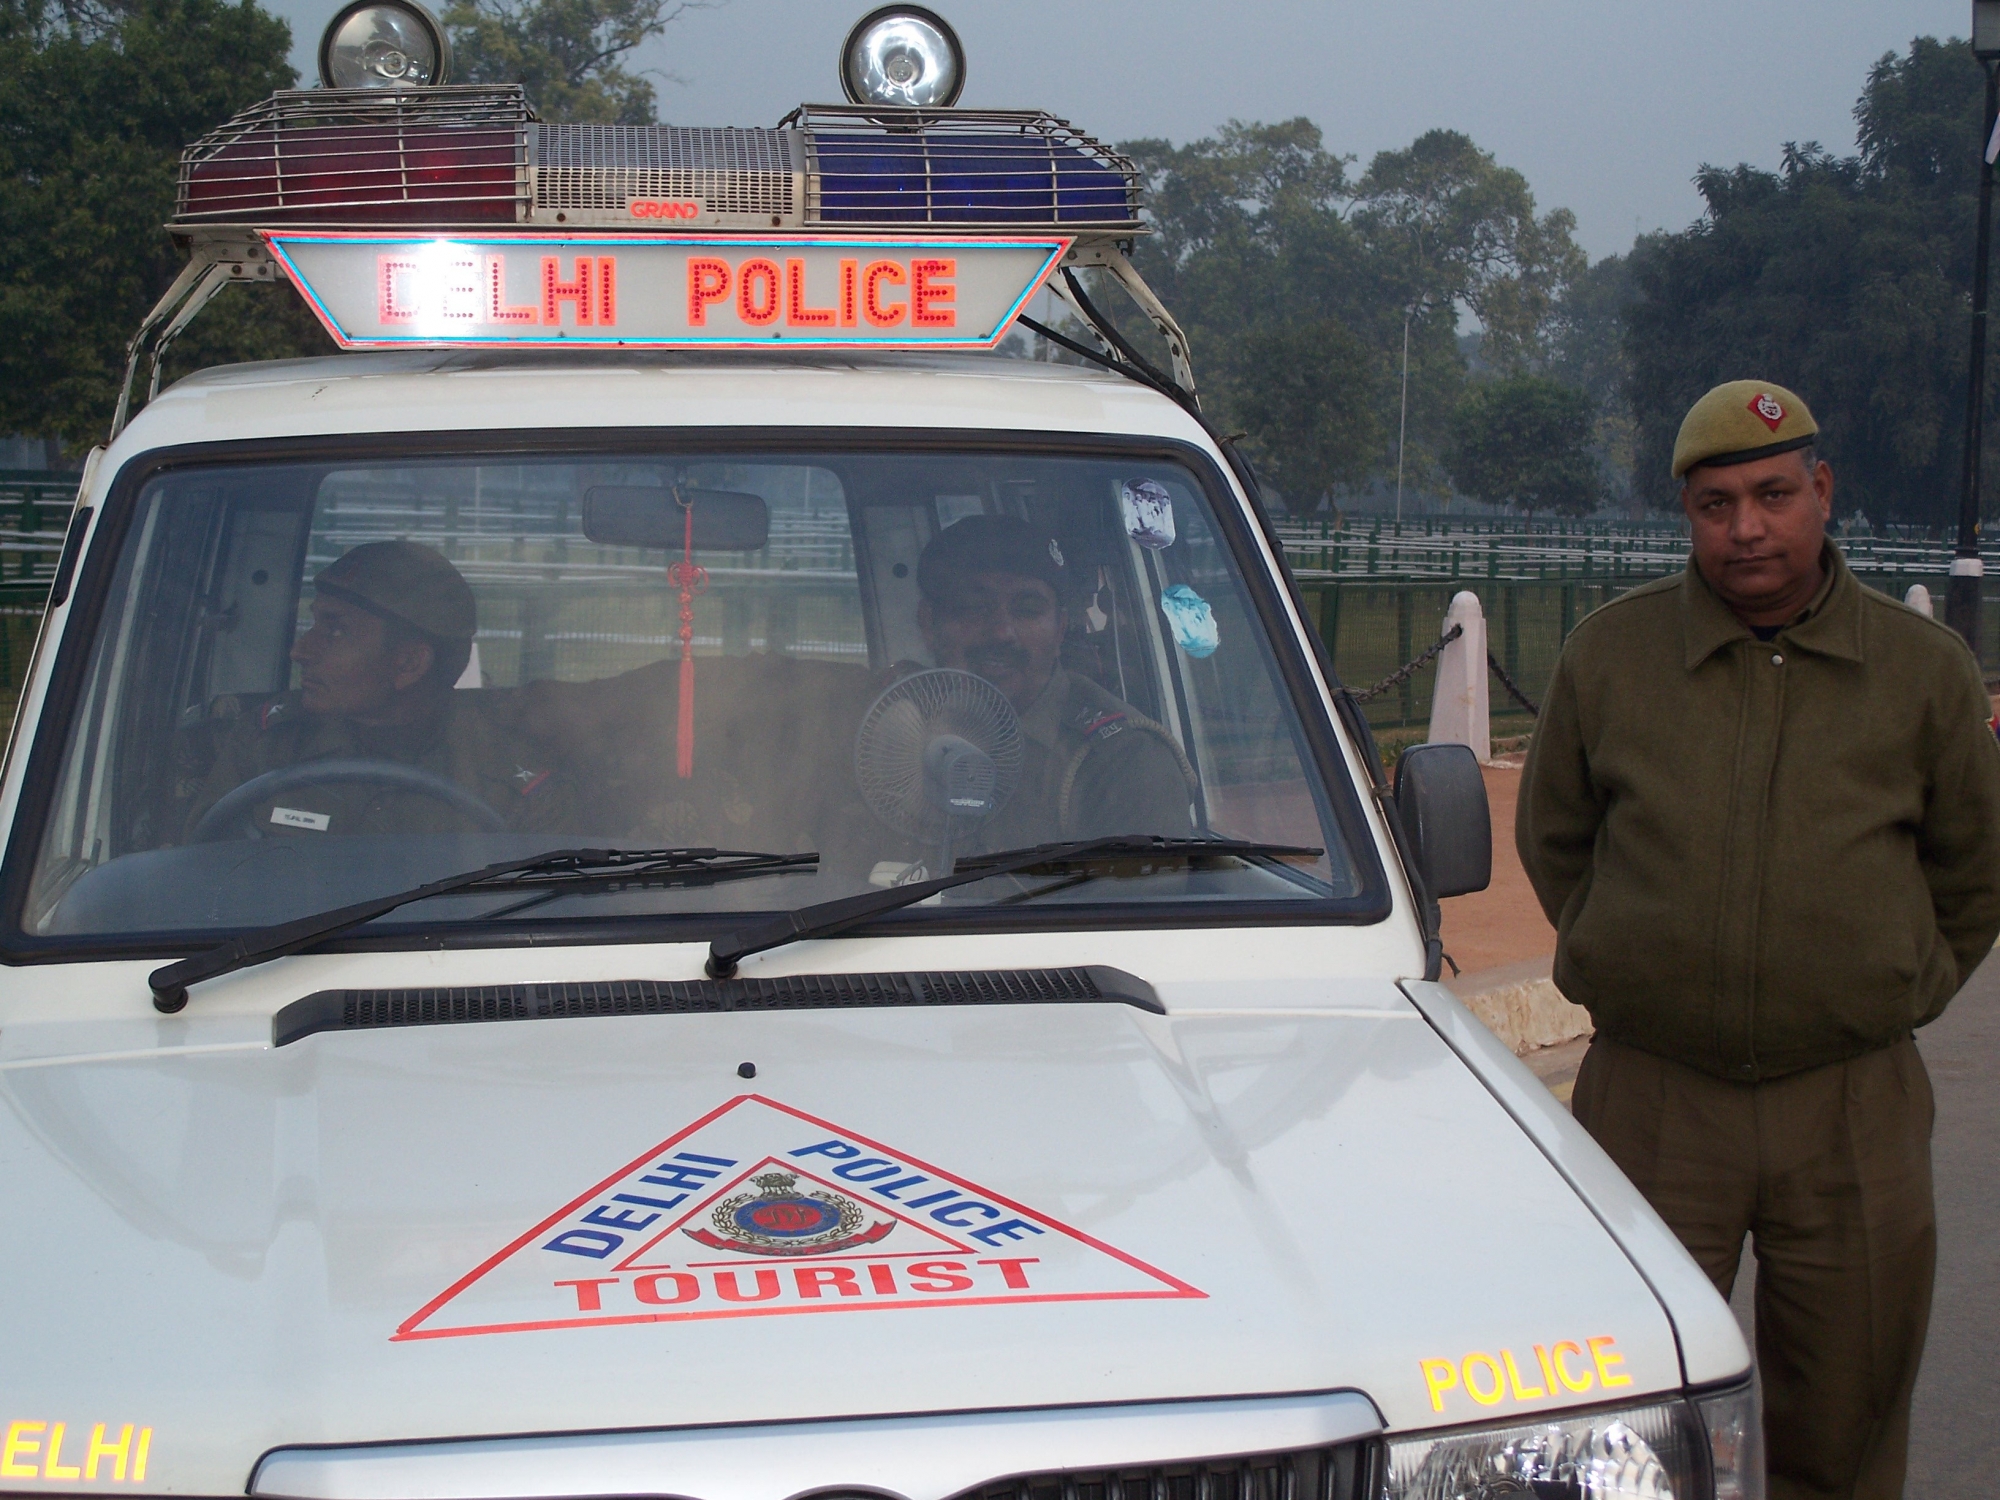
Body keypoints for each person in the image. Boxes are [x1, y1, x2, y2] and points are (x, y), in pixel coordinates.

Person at [1516, 380, 2000, 1500]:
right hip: (1650, 1095)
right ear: (1682, 513)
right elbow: (1556, 838)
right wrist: (1616, 951)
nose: (1746, 528)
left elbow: (1971, 870)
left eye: (1774, 495)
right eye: (1714, 502)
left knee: (1847, 1406)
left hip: (1850, 1104)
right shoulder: (1611, 658)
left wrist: (1897, 984)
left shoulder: (1917, 672)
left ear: (1820, 492)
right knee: (1628, 1412)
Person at [184, 540, 571, 839]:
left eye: (335, 630)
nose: (299, 650)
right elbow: (195, 877)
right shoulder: (267, 745)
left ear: (408, 664)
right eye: (313, 623)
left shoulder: (513, 783)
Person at [915, 514, 1194, 848]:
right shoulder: (887, 725)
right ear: (929, 625)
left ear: (1061, 628)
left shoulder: (1124, 761)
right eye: (975, 607)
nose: (1002, 632)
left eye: (1028, 610)